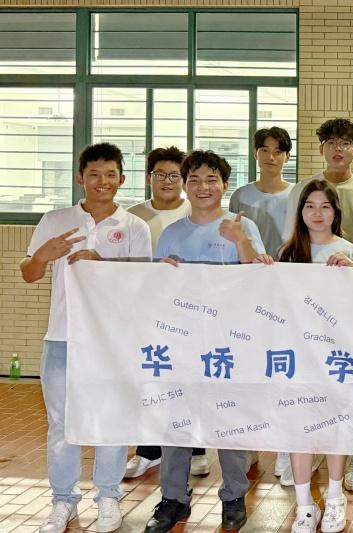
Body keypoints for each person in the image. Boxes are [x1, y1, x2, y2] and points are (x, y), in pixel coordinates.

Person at [20, 142, 152, 533]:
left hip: (113, 342)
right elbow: (29, 273)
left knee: (112, 420)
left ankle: (108, 497)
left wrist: (103, 262)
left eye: (110, 174)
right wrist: (42, 256)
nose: (102, 181)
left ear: (122, 179)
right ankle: (63, 501)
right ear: (80, 177)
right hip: (63, 338)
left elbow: (144, 284)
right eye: (94, 174)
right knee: (62, 425)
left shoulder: (134, 227)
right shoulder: (55, 219)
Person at [145, 150, 268, 533]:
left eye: (211, 179)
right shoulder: (172, 233)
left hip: (228, 344)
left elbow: (262, 280)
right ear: (185, 185)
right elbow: (156, 293)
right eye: (194, 180)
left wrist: (241, 242)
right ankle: (173, 498)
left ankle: (234, 495)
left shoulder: (242, 226)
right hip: (182, 345)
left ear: (225, 185)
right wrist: (163, 275)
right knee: (176, 424)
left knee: (229, 422)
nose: (203, 187)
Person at [275, 179, 353, 533]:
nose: (317, 213)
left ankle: (335, 497)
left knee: (335, 427)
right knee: (299, 429)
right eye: (310, 206)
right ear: (300, 212)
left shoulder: (351, 252)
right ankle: (304, 505)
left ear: (336, 212)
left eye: (325, 206)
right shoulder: (288, 253)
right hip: (298, 356)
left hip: (337, 357)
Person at [125, 146, 208, 479]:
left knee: (191, 381)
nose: (168, 181)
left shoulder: (196, 211)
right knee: (151, 379)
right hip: (146, 313)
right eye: (161, 174)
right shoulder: (133, 216)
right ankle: (148, 451)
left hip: (189, 314)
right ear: (149, 177)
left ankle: (196, 449)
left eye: (175, 175)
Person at [282, 118, 353, 260]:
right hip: (309, 266)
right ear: (321, 149)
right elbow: (290, 236)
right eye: (331, 142)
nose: (338, 148)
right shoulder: (301, 189)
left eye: (345, 143)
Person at [229, 126, 295, 257]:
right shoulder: (240, 196)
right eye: (264, 150)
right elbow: (232, 237)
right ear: (255, 153)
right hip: (250, 264)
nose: (270, 157)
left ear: (287, 157)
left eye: (278, 152)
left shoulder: (297, 194)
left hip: (290, 264)